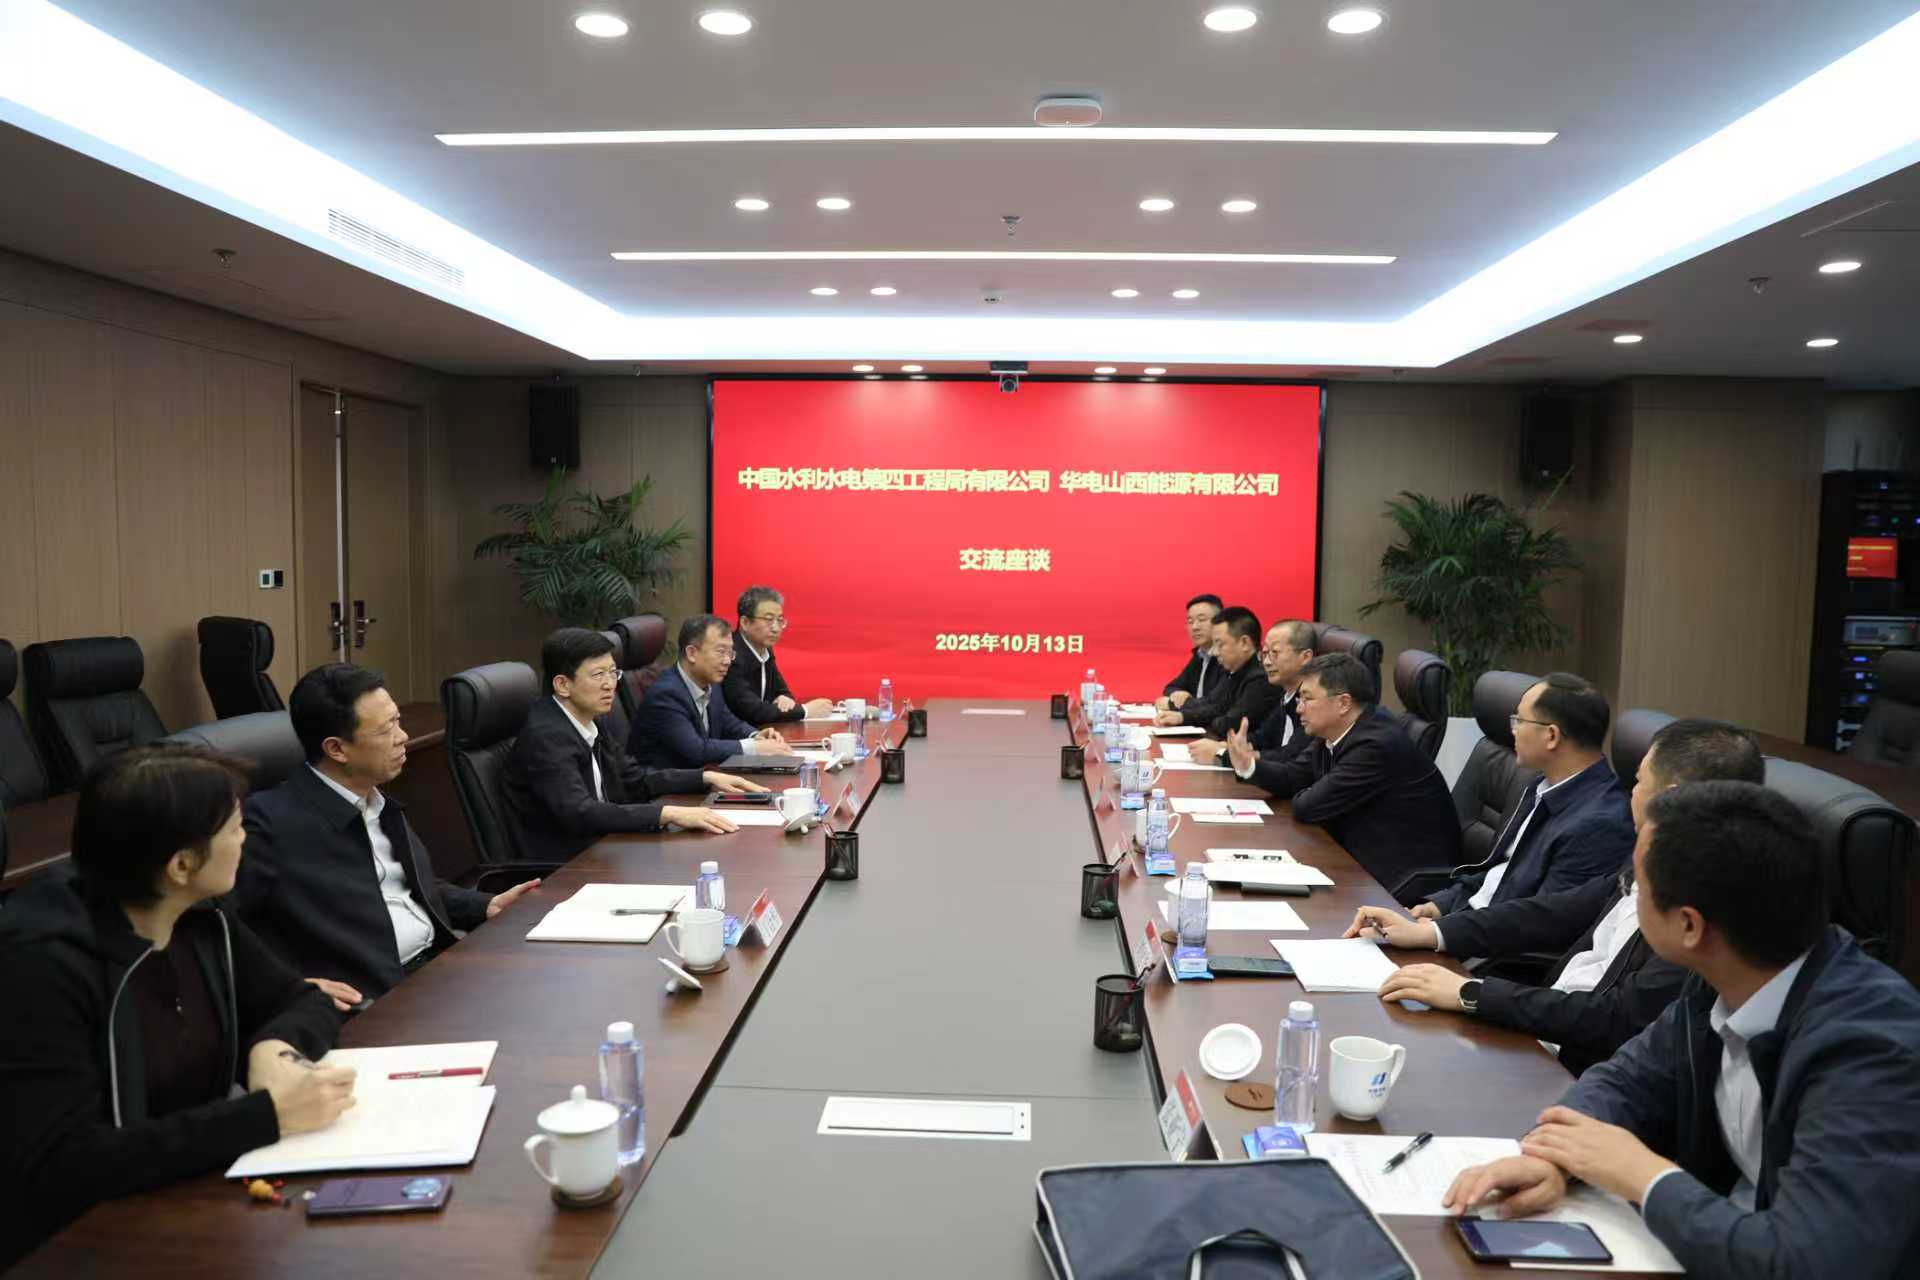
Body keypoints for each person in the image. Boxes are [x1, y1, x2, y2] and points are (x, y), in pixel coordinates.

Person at [1443, 781, 1920, 1279]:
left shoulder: (1874, 1053)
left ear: (1690, 926)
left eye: (1639, 883)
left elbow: (1802, 1263)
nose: (1629, 893)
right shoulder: (1728, 972)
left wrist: (1641, 1174)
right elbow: (1629, 1078)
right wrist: (1555, 1156)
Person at [0, 745, 354, 1268]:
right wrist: (264, 1116)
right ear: (182, 865)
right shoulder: (41, 965)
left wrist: (272, 1048)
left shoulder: (199, 916)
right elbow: (64, 1166)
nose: (245, 838)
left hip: (187, 1201)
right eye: (235, 828)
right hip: (81, 1246)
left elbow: (303, 1000)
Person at [1350, 718, 1765, 1074]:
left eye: (1638, 781)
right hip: (1541, 1033)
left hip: (1573, 1064)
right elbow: (1550, 913)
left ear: (1671, 798)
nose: (1631, 793)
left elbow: (1617, 1020)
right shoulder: (1644, 859)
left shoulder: (1705, 919)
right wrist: (1431, 932)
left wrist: (1472, 993)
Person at [230, 664, 542, 1003]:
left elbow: (409, 887)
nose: (402, 736)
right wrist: (287, 987)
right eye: (385, 730)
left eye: (397, 720)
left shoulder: (375, 798)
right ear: (337, 749)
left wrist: (484, 905)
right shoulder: (268, 824)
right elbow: (220, 930)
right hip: (373, 1000)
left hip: (441, 969)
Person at [505, 628, 770, 861]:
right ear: (563, 685)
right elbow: (580, 812)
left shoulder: (590, 720)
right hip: (568, 867)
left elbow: (636, 781)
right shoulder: (547, 736)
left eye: (613, 673)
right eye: (598, 675)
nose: (610, 685)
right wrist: (665, 814)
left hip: (608, 847)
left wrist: (705, 778)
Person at [1226, 652, 1460, 895]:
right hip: (1360, 857)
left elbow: (1307, 806)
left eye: (1307, 699)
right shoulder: (1333, 732)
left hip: (1403, 878)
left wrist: (1307, 791)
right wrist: (1248, 765)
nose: (1299, 708)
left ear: (1343, 703)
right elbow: (1292, 777)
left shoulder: (1374, 745)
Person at [1417, 673, 1634, 917]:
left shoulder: (1599, 824)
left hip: (1490, 936)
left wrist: (1439, 932)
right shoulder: (1542, 786)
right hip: (1471, 920)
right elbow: (1502, 873)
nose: (1513, 731)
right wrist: (1438, 907)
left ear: (1551, 736)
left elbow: (1536, 923)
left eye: (1519, 721)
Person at [629, 615, 796, 770]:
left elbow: (728, 723)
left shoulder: (710, 683)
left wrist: (756, 735)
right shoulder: (667, 694)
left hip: (700, 777)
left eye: (730, 653)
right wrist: (754, 747)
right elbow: (696, 750)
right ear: (692, 653)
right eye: (721, 652)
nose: (727, 661)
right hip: (666, 786)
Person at [1191, 619, 1314, 767]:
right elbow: (1262, 737)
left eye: (1275, 653)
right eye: (1265, 653)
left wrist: (1223, 756)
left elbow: (1292, 757)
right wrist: (1226, 746)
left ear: (1305, 657)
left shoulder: (1313, 703)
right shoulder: (1287, 696)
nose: (1267, 662)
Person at [1154, 605, 1278, 739]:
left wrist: (1214, 717)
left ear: (1244, 643)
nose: (1215, 652)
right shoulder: (1233, 673)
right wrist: (1182, 717)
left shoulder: (1261, 679)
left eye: (1220, 645)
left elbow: (1228, 725)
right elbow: (1213, 705)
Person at [725, 586, 835, 726]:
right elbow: (752, 710)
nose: (776, 628)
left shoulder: (765, 649)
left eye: (780, 620)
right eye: (769, 620)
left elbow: (783, 692)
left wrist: (784, 698)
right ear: (745, 622)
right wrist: (805, 710)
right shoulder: (730, 655)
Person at [1155, 594, 1222, 711]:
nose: (1195, 627)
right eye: (1190, 621)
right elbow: (1171, 687)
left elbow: (1216, 703)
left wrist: (1174, 704)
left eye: (1201, 620)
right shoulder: (1200, 655)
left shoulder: (1227, 657)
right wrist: (1179, 694)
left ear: (1220, 622)